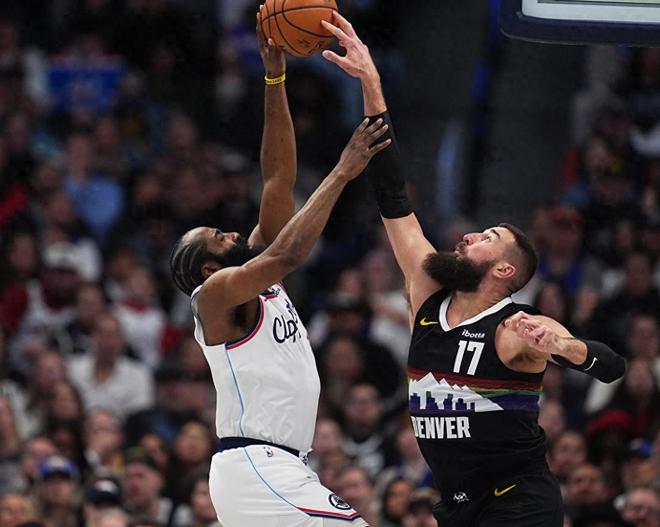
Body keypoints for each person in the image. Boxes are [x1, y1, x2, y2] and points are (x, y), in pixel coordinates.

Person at [320, 11, 627, 527]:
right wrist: (371, 83)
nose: (467, 236)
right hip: (457, 504)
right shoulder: (427, 294)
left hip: (518, 501)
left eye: (487, 238)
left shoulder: (515, 328)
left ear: (505, 271)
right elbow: (392, 195)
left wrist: (564, 347)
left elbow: (611, 367)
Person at [167, 15, 390, 527]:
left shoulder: (252, 275)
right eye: (220, 237)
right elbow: (288, 255)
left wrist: (275, 78)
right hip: (254, 465)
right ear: (208, 266)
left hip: (284, 465)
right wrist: (343, 171)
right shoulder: (214, 296)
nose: (233, 232)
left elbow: (277, 176)